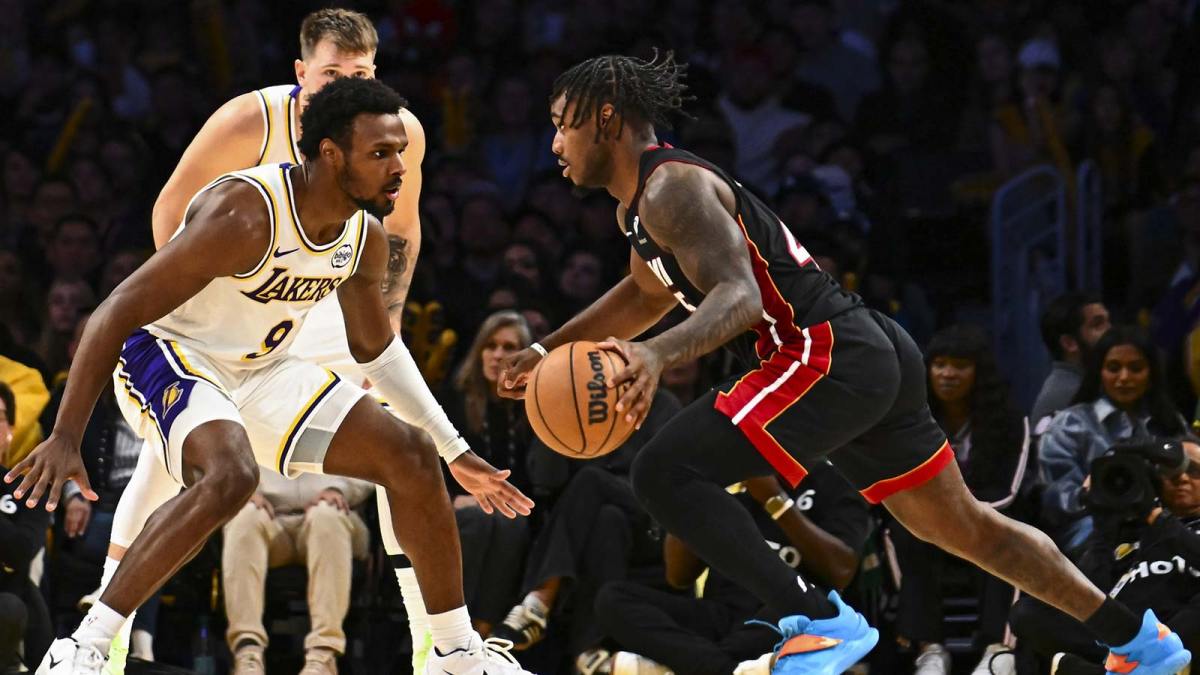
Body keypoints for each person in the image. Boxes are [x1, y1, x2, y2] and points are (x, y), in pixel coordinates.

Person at [499, 52, 1191, 675]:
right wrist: (544, 348)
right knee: (963, 527)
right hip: (864, 351)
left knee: (662, 468)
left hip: (820, 348)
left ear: (607, 116)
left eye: (563, 125)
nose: (556, 144)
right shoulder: (641, 211)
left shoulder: (670, 189)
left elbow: (738, 298)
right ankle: (1137, 639)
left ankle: (821, 621)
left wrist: (653, 355)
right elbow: (644, 294)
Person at [9, 78, 534, 675]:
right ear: (332, 154)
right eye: (381, 154)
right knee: (231, 473)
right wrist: (65, 435)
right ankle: (86, 646)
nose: (398, 170)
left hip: (260, 367)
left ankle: (455, 652)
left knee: (411, 453)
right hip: (168, 351)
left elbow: (377, 352)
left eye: (402, 154)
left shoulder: (364, 238)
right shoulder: (246, 213)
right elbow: (116, 310)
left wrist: (454, 450)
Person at [80, 9, 437, 674]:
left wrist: (381, 328)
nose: (343, 88)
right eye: (332, 74)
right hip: (238, 293)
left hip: (330, 295)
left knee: (404, 439)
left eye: (358, 75)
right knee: (167, 458)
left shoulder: (396, 132)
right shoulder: (252, 119)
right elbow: (171, 207)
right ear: (302, 74)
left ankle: (434, 638)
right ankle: (106, 623)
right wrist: (199, 314)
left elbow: (403, 237)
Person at [591, 465, 870, 675]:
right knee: (612, 600)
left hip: (787, 612)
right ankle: (720, 669)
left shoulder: (833, 478)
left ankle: (687, 666)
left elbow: (841, 571)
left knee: (795, 615)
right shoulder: (731, 479)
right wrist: (685, 505)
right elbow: (678, 578)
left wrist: (775, 501)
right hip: (722, 612)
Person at [890, 325, 1033, 675]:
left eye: (960, 365)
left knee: (1009, 538)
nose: (948, 374)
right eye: (939, 364)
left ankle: (997, 650)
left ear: (978, 373)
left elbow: (1011, 490)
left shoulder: (1011, 422)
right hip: (930, 527)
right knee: (898, 532)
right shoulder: (911, 420)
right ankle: (930, 648)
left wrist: (958, 518)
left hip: (989, 522)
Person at [1011, 438, 1200, 675]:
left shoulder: (1159, 521)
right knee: (1027, 612)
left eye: (1194, 471)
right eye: (1170, 472)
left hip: (1177, 632)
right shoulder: (1132, 530)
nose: (1182, 478)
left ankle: (1132, 666)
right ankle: (1130, 668)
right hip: (1122, 632)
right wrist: (1102, 519)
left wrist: (1158, 518)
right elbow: (1093, 587)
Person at [1041, 326, 1187, 549]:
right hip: (1090, 530)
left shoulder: (1170, 423)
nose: (1124, 377)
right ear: (1099, 372)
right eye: (1113, 368)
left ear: (1151, 374)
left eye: (1136, 368)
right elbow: (1053, 499)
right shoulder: (1070, 424)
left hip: (1162, 523)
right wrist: (1089, 495)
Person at [222, 471, 374, 675]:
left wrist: (340, 488)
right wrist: (241, 491)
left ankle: (323, 655)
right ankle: (247, 652)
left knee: (327, 514)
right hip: (271, 517)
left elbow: (373, 461)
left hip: (335, 512)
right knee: (245, 516)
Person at [0, 383, 51, 673]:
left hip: (9, 601)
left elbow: (20, 551)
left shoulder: (27, 488)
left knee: (10, 607)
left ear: (10, 430)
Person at [1031, 293, 1111, 431]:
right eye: (1098, 324)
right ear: (1069, 343)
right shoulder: (1067, 395)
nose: (1110, 330)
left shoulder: (1091, 382)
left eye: (1108, 322)